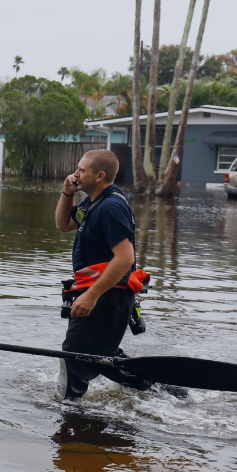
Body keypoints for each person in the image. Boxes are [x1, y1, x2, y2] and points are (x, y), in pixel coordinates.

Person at [54, 150, 152, 399]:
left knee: (73, 355)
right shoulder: (93, 202)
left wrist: (91, 296)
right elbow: (64, 224)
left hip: (106, 296)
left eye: (82, 170)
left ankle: (69, 414)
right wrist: (68, 194)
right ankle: (154, 387)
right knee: (99, 355)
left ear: (99, 176)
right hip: (105, 295)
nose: (76, 174)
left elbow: (125, 257)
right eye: (77, 169)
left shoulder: (110, 207)